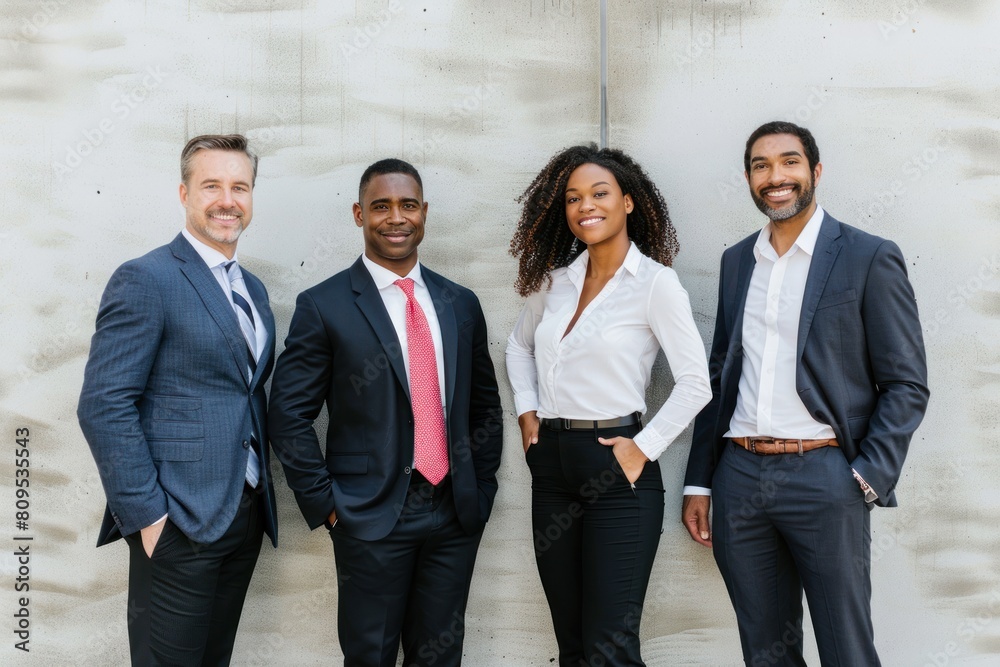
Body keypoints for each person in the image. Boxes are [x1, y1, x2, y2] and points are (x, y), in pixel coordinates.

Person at [682, 121, 930, 666]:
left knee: (846, 650)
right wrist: (700, 480)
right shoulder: (736, 260)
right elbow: (719, 377)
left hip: (825, 476)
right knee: (765, 653)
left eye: (789, 162)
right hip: (740, 476)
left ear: (815, 171)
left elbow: (907, 381)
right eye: (761, 165)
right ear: (749, 178)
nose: (776, 177)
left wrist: (866, 477)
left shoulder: (867, 256)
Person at [267, 158, 503, 667]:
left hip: (452, 513)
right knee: (370, 656)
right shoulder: (324, 305)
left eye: (408, 205)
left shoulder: (459, 302)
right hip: (368, 515)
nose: (396, 217)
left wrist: (480, 490)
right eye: (381, 206)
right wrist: (328, 505)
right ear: (359, 214)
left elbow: (485, 407)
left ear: (424, 214)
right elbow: (287, 413)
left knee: (440, 656)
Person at [506, 144, 711, 666]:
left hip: (618, 470)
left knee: (609, 649)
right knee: (572, 645)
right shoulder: (554, 282)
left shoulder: (655, 285)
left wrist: (642, 449)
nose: (585, 206)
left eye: (599, 194)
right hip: (551, 465)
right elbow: (518, 345)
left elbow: (695, 383)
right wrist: (528, 412)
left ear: (628, 203)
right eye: (573, 198)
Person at [77, 134, 278, 665]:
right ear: (184, 193)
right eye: (211, 185)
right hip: (177, 520)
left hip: (244, 514)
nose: (227, 200)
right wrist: (148, 518)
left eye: (240, 186)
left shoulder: (253, 291)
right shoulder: (147, 278)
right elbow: (103, 403)